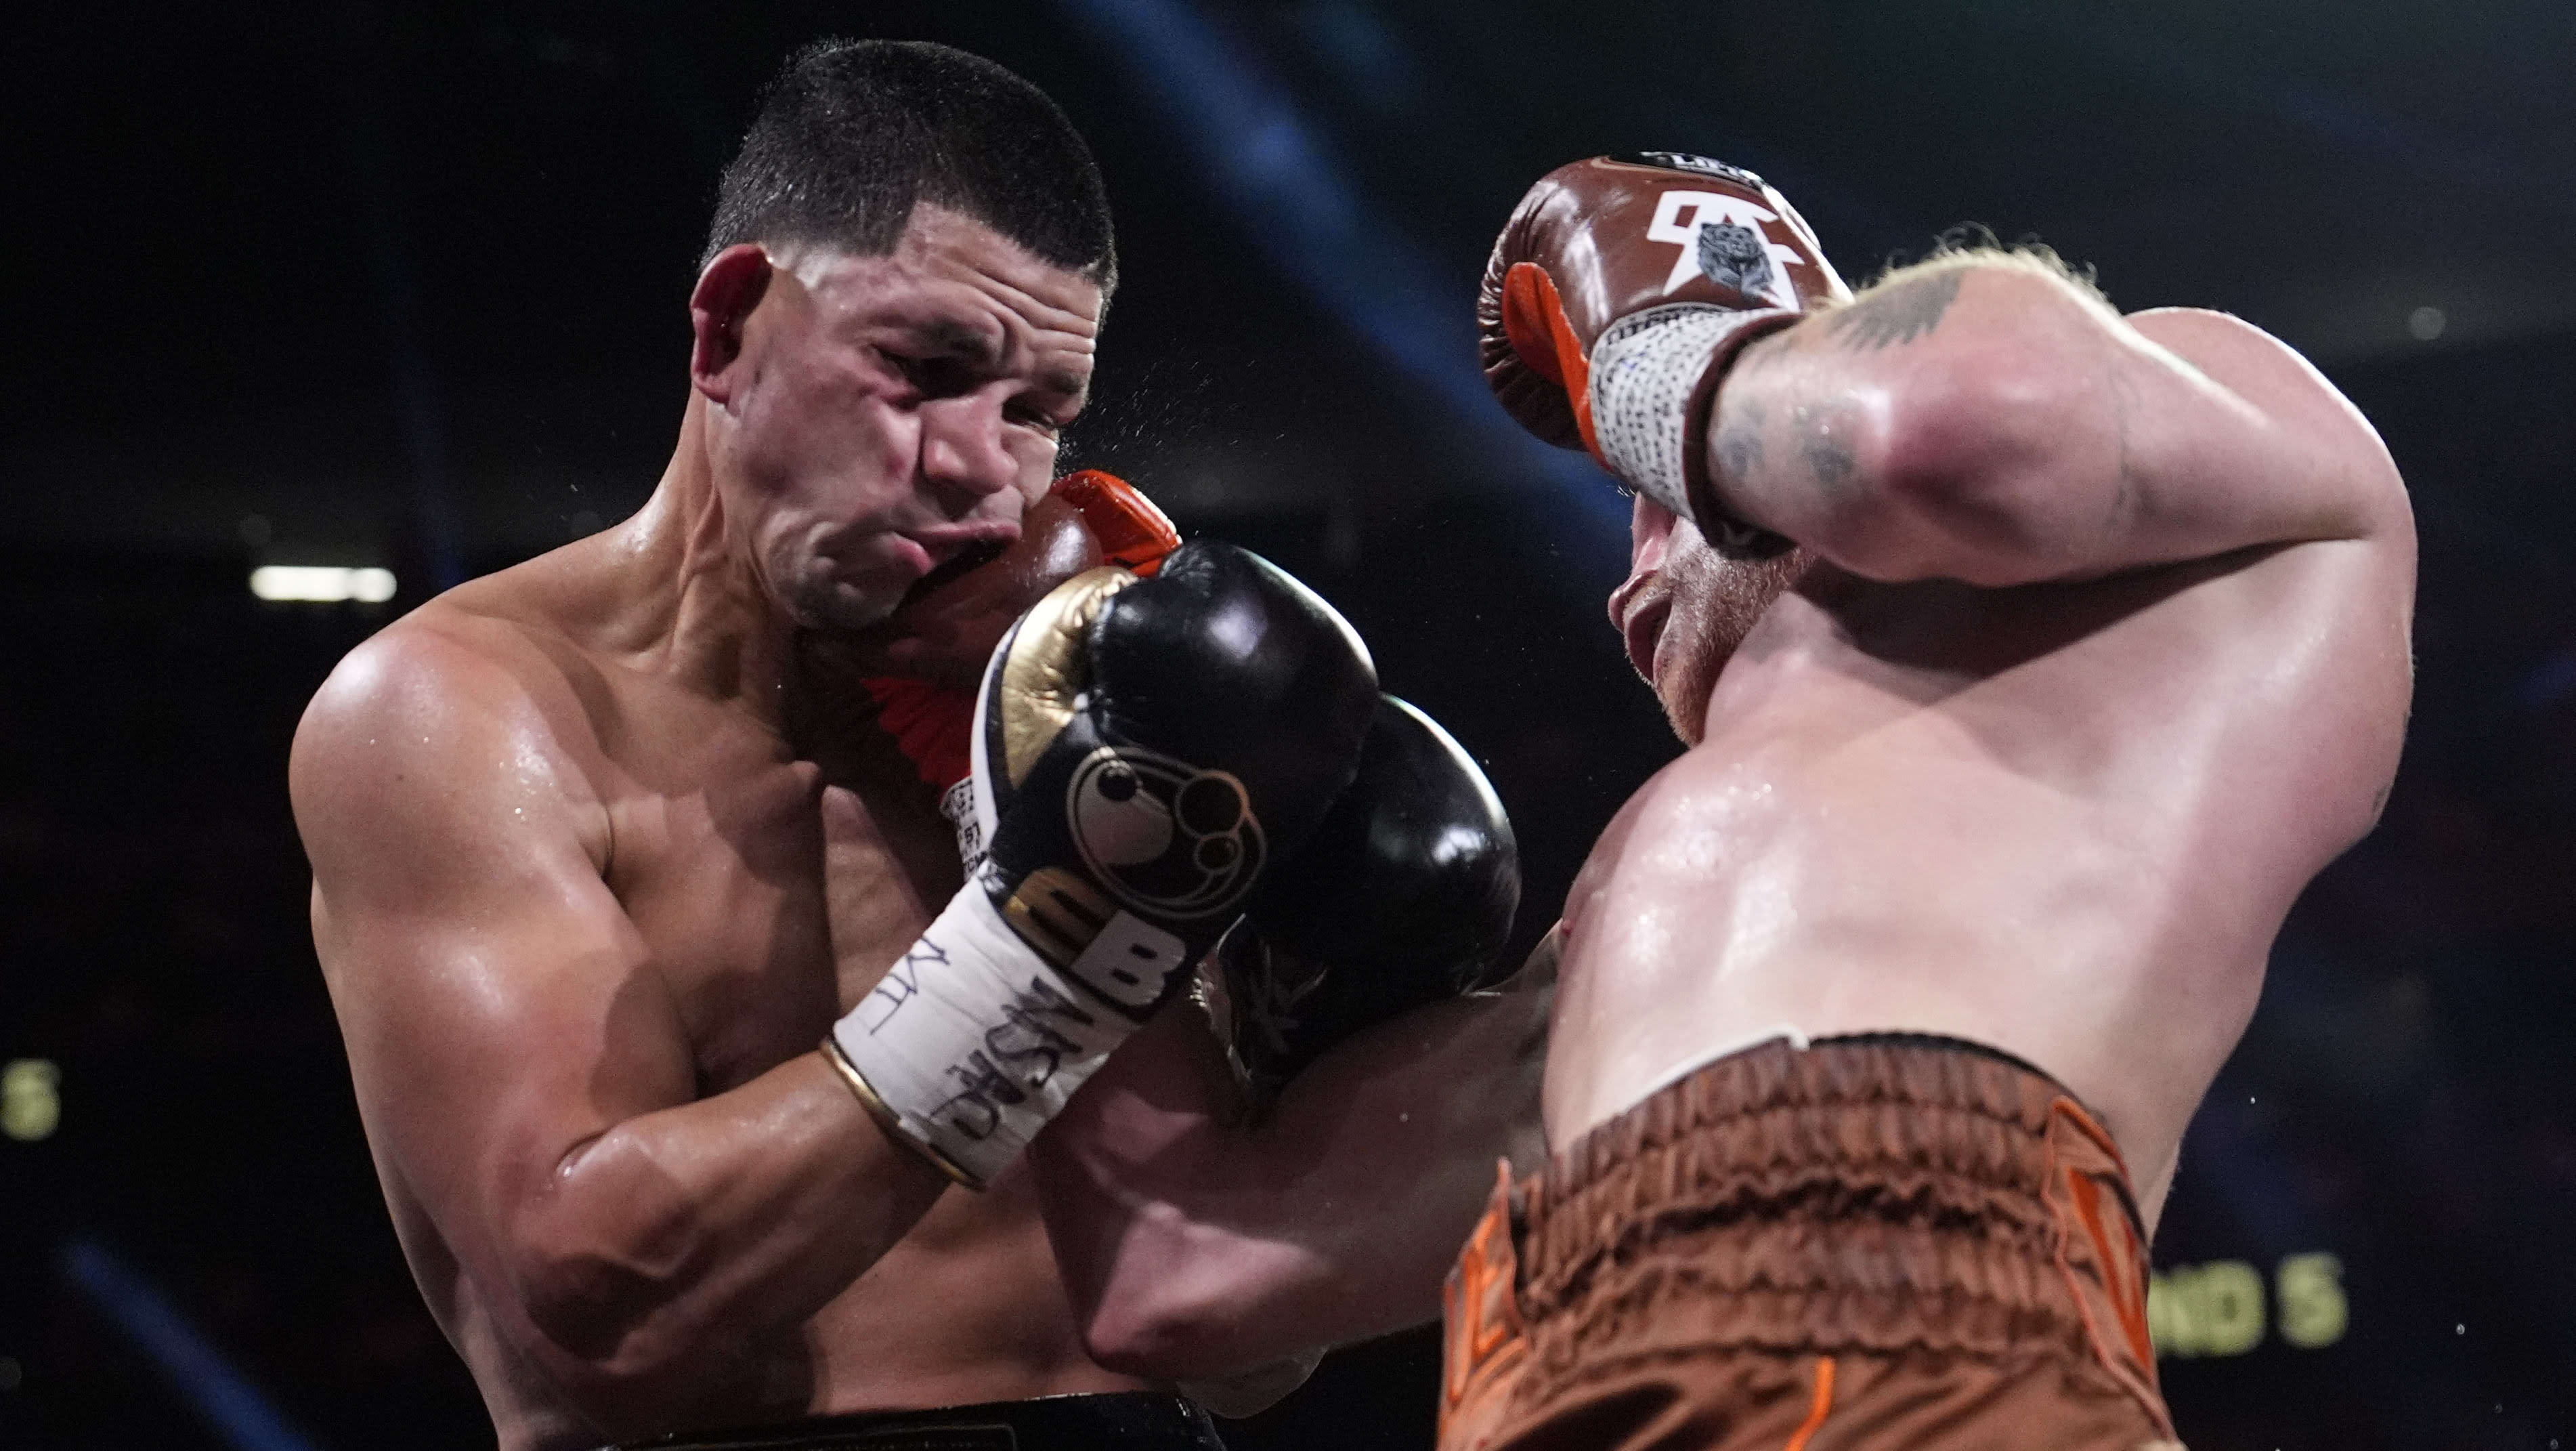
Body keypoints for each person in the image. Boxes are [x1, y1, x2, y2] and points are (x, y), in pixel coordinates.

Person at [291, 40, 1543, 1451]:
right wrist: (1062, 932)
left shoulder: (1068, 709)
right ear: (727, 333)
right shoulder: (461, 713)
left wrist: (1319, 1019)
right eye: (925, 367)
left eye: (1036, 412)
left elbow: (1245, 1347)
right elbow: (598, 1314)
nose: (979, 466)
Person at [1438, 152, 2414, 1450]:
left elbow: (1951, 424)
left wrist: (1656, 357)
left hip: (1908, 1324)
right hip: (1524, 1378)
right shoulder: (1638, 874)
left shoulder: (2203, 522)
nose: (1624, 574)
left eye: (1644, 493)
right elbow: (1181, 1295)